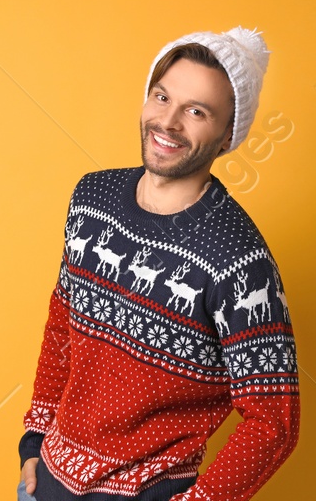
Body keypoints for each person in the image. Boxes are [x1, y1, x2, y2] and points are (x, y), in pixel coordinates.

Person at [18, 28, 298, 499]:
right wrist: (34, 437)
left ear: (228, 133)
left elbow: (274, 422)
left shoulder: (239, 260)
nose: (168, 122)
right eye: (161, 96)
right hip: (44, 481)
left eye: (196, 111)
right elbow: (62, 317)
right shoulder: (91, 197)